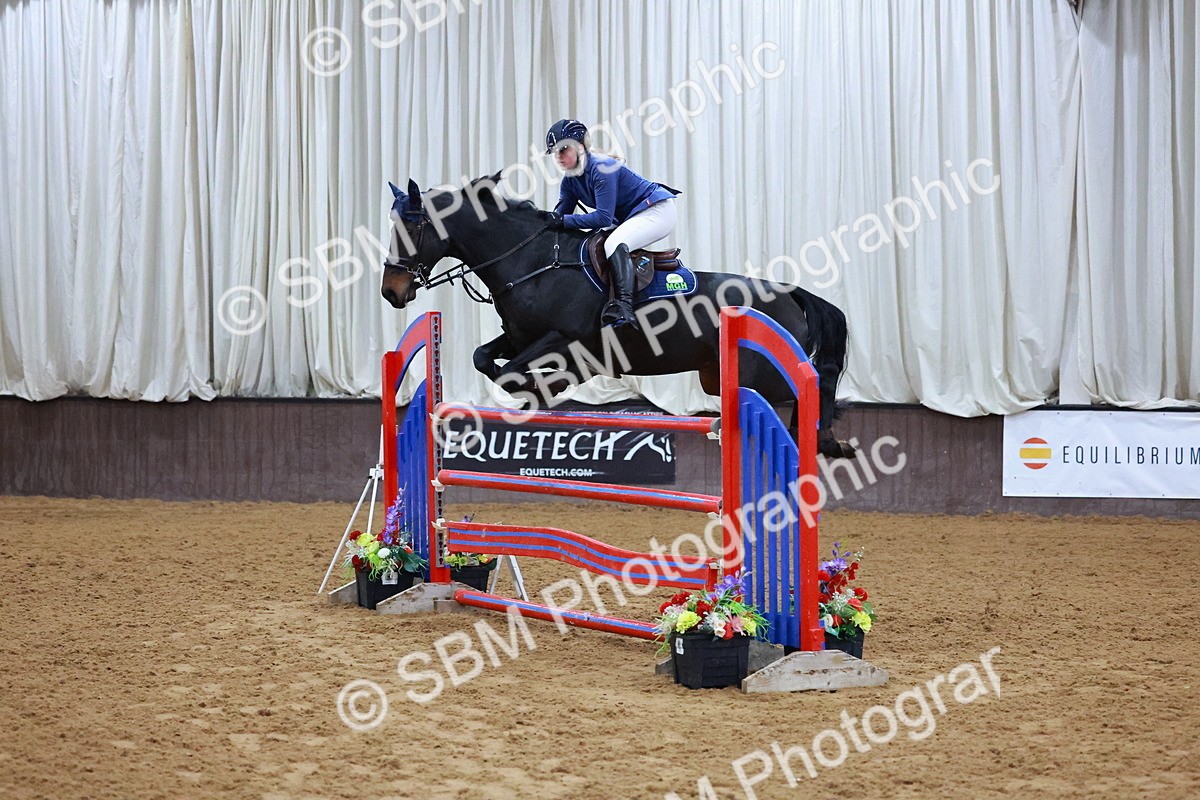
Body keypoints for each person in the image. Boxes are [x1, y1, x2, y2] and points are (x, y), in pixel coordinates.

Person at [544, 119, 679, 330]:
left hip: (658, 211)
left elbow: (603, 218)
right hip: (634, 216)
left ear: (581, 147)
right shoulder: (569, 181)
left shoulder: (602, 168)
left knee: (614, 243)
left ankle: (624, 307)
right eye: (555, 152)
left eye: (563, 149)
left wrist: (563, 221)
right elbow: (559, 218)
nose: (559, 156)